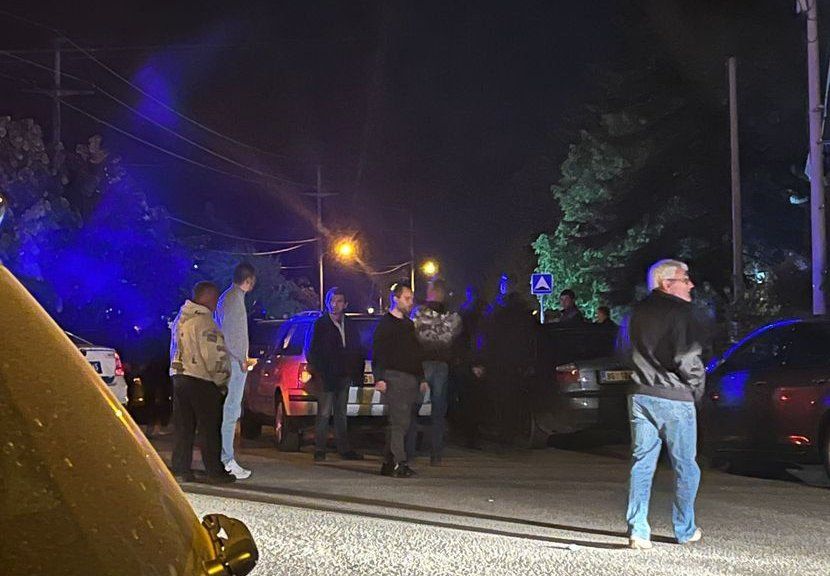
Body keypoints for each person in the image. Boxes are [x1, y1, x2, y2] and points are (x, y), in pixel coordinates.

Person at [624, 259, 705, 550]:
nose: (691, 284)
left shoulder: (635, 312)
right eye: (685, 279)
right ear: (666, 283)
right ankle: (685, 529)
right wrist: (696, 388)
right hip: (674, 397)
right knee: (685, 466)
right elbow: (687, 357)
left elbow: (622, 349)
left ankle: (638, 530)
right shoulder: (681, 312)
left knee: (642, 463)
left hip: (640, 394)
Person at [169, 281, 234, 484]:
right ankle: (214, 471)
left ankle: (180, 468)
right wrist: (222, 382)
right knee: (209, 428)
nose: (216, 303)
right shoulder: (205, 322)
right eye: (214, 298)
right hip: (202, 379)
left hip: (179, 376)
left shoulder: (181, 319)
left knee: (184, 427)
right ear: (207, 297)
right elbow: (214, 356)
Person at [372, 283, 428, 478]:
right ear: (395, 299)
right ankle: (399, 463)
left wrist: (421, 378)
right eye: (407, 298)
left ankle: (389, 462)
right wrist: (380, 378)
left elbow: (416, 353)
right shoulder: (386, 325)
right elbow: (378, 353)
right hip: (394, 377)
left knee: (403, 423)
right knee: (399, 422)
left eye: (411, 298)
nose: (410, 302)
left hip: (410, 379)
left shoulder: (408, 325)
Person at [307, 287, 366, 462]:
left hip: (344, 375)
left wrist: (356, 372)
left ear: (345, 304)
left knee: (341, 413)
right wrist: (320, 371)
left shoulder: (350, 325)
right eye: (332, 301)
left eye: (339, 301)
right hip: (326, 376)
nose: (335, 304)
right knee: (324, 413)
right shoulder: (320, 325)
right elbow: (312, 350)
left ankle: (344, 448)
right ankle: (320, 449)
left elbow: (357, 348)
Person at [411, 278, 462, 465]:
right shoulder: (452, 316)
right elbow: (453, 338)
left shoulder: (419, 314)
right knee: (437, 412)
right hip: (440, 364)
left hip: (425, 364)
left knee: (415, 409)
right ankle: (435, 454)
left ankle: (411, 451)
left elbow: (414, 337)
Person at [481, 274, 535, 444]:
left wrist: (484, 358)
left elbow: (489, 335)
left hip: (501, 361)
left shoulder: (499, 309)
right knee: (513, 398)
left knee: (502, 398)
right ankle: (512, 430)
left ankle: (505, 432)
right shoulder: (522, 309)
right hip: (515, 362)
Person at [215, 262, 256, 480]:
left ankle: (223, 457)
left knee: (227, 411)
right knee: (231, 411)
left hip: (225, 361)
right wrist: (243, 359)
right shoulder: (236, 300)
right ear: (249, 280)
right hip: (233, 363)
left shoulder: (226, 298)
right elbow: (235, 334)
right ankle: (227, 459)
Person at [453, 285, 488, 449]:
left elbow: (470, 342)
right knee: (473, 401)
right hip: (472, 365)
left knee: (469, 401)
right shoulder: (478, 317)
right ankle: (472, 435)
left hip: (468, 364)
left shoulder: (466, 315)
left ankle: (469, 434)